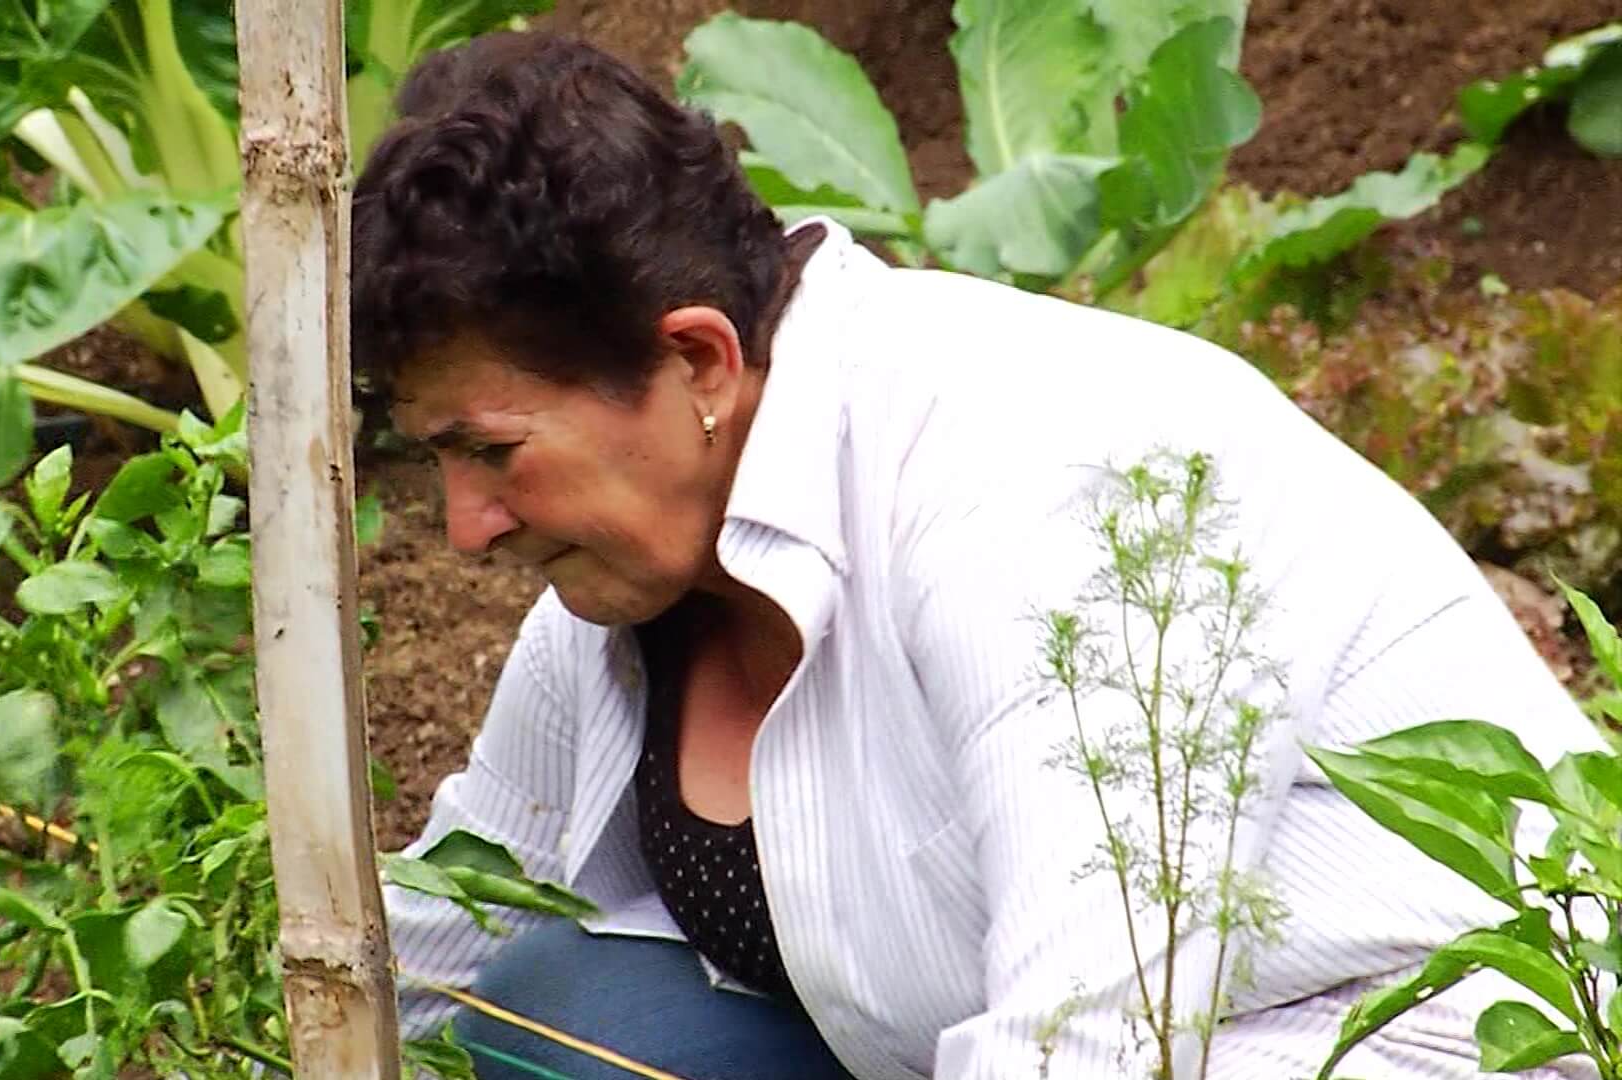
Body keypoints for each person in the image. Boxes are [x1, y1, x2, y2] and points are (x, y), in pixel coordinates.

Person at [351, 31, 1602, 1080]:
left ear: (698, 363)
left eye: (493, 452)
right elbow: (451, 928)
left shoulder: (1040, 483)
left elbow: (1092, 1046)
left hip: (1395, 1036)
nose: (467, 524)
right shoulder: (637, 558)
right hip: (994, 1044)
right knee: (556, 1012)